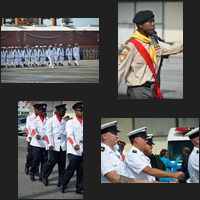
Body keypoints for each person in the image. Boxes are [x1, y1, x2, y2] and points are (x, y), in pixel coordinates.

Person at [118, 10, 183, 99]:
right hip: (138, 91)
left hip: (152, 89)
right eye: (150, 22)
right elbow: (120, 70)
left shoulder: (153, 41)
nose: (153, 24)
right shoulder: (131, 45)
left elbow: (172, 48)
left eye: (153, 21)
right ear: (140, 25)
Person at [60, 102, 83, 194]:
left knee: (82, 169)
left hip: (82, 148)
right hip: (74, 149)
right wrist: (74, 145)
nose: (82, 112)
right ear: (75, 111)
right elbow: (69, 136)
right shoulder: (70, 122)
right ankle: (63, 183)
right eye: (80, 110)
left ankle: (80, 188)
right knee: (71, 168)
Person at [42, 104, 67, 186]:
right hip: (53, 144)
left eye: (64, 111)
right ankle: (44, 176)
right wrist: (49, 144)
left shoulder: (64, 121)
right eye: (63, 111)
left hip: (62, 145)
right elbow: (48, 134)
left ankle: (61, 182)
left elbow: (66, 134)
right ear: (58, 111)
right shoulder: (51, 120)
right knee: (52, 162)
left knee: (62, 164)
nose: (64, 113)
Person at [29, 104, 48, 181]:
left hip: (45, 144)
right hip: (36, 143)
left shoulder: (47, 120)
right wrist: (36, 134)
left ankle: (42, 176)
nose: (44, 112)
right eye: (42, 111)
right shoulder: (34, 120)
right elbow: (33, 129)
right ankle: (32, 173)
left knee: (45, 161)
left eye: (45, 111)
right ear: (39, 111)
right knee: (36, 160)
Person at [24, 104, 40, 175]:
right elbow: (28, 128)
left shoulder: (42, 117)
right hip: (31, 139)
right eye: (38, 109)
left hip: (38, 140)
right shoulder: (30, 117)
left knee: (38, 156)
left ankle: (36, 170)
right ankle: (27, 166)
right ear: (34, 109)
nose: (39, 110)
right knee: (30, 155)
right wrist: (29, 136)